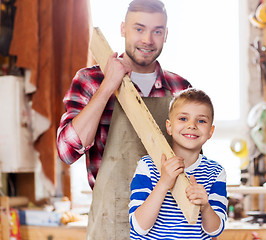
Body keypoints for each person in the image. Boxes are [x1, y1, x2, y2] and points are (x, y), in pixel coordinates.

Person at [56, 0, 191, 238]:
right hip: (110, 224)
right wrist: (108, 85)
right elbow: (67, 151)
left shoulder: (180, 89)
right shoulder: (90, 80)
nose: (148, 40)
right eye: (139, 29)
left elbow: (193, 164)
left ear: (166, 34)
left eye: (157, 31)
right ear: (122, 29)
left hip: (167, 227)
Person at [129, 88, 228, 239]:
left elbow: (215, 231)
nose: (192, 125)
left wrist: (206, 206)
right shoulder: (148, 166)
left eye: (201, 121)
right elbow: (139, 227)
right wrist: (163, 183)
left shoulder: (215, 172)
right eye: (183, 118)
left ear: (210, 131)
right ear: (169, 126)